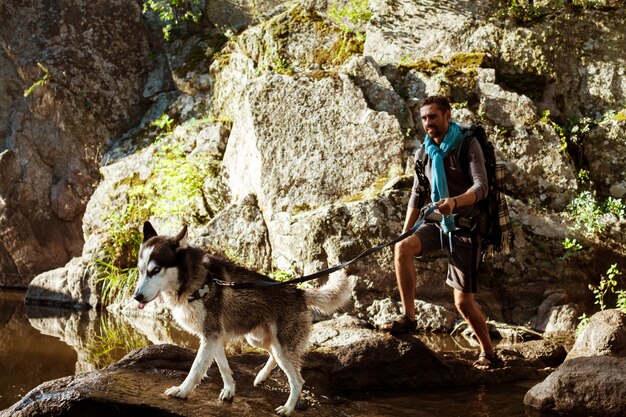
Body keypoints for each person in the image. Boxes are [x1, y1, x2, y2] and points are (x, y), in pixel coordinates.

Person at [381, 95, 500, 370]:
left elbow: (481, 188)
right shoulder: (424, 153)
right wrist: (405, 231)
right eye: (423, 118)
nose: (428, 123)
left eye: (433, 117)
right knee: (402, 248)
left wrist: (455, 202)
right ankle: (409, 318)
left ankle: (489, 353)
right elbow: (417, 194)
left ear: (447, 115)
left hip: (465, 228)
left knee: (463, 304)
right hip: (436, 222)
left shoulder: (468, 144)